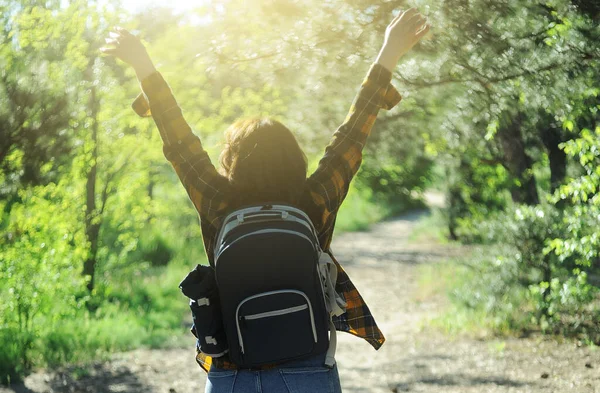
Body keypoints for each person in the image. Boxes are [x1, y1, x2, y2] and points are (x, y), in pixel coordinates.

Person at [101, 8, 429, 393]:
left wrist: (143, 63)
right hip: (307, 366)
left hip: (231, 367)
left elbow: (179, 141)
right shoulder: (313, 200)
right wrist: (389, 51)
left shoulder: (217, 201)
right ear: (295, 159)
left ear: (231, 162)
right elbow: (351, 137)